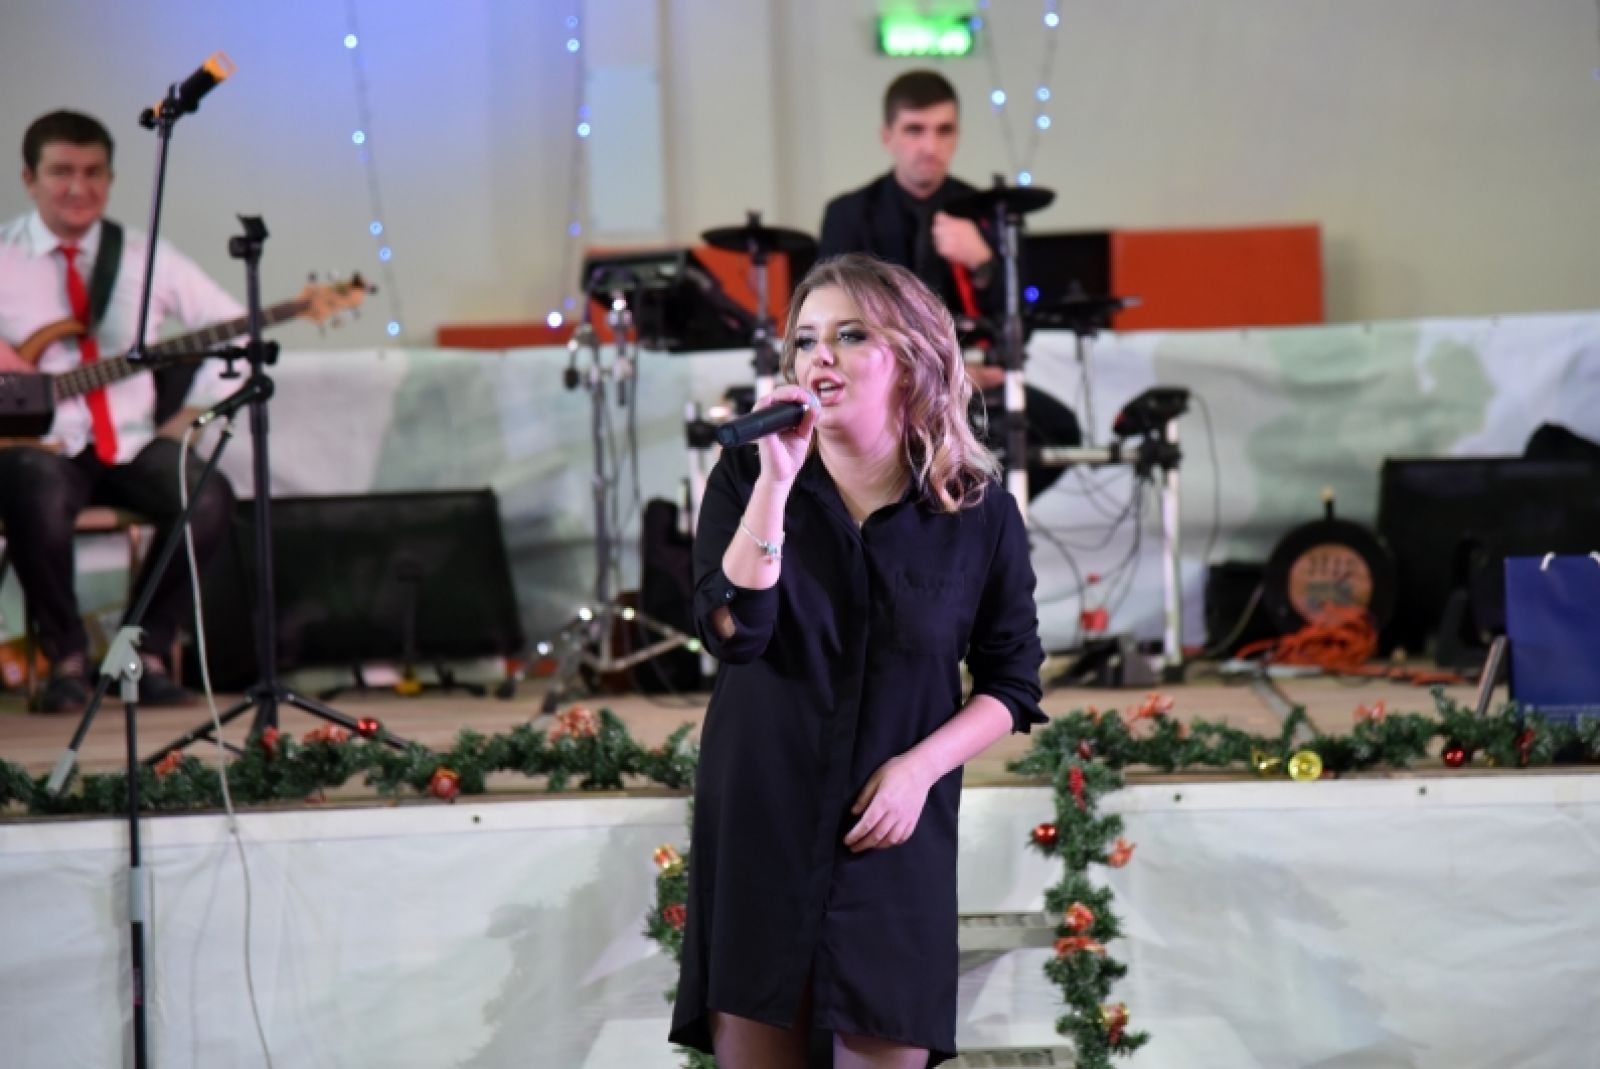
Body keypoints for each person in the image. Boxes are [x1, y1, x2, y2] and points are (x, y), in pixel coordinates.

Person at [669, 253, 1046, 1068]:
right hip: (764, 818)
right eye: (805, 340)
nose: (820, 357)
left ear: (912, 357)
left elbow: (1013, 679)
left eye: (849, 335)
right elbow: (734, 632)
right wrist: (776, 481)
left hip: (892, 835)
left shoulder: (978, 512)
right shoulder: (746, 478)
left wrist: (920, 770)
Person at [0, 110, 241, 712]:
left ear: (110, 179)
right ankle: (65, 660)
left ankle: (141, 653)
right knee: (32, 485)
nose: (78, 187)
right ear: (29, 178)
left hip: (131, 443)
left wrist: (191, 415)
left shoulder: (143, 256)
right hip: (42, 448)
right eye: (61, 171)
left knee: (208, 493)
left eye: (93, 172)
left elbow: (233, 328)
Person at [819, 70, 999, 328]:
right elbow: (829, 316)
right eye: (914, 130)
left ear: (957, 137)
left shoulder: (990, 212)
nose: (930, 147)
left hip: (969, 352)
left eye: (944, 130)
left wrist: (981, 263)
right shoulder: (848, 215)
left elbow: (1019, 324)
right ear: (887, 137)